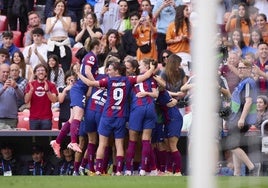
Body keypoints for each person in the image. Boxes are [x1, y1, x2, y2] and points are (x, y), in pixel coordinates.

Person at [76, 59, 156, 176]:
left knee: (102, 144)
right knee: (119, 144)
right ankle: (119, 171)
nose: (108, 71)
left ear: (117, 71)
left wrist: (78, 73)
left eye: (110, 69)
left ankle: (98, 170)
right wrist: (152, 68)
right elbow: (147, 75)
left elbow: (90, 83)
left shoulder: (109, 81)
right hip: (120, 117)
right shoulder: (128, 80)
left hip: (107, 116)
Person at [50, 38, 101, 155]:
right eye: (100, 45)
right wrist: (96, 84)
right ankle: (73, 141)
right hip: (78, 90)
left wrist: (91, 86)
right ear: (96, 46)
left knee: (72, 119)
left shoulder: (89, 57)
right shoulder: (92, 56)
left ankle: (57, 142)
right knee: (78, 115)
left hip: (80, 90)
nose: (102, 47)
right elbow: (88, 72)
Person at [225, 60, 260, 176]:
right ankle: (237, 172)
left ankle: (252, 167)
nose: (240, 69)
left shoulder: (248, 82)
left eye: (243, 68)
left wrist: (242, 119)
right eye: (239, 67)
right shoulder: (243, 81)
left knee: (231, 145)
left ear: (249, 69)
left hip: (241, 118)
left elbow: (249, 101)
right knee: (235, 146)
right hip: (236, 117)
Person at [125, 58, 158, 176]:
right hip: (150, 108)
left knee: (132, 141)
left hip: (137, 109)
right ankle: (144, 169)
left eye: (141, 65)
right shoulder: (150, 78)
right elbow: (156, 94)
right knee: (146, 141)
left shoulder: (129, 79)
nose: (139, 67)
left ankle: (128, 170)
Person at [24, 64, 58, 130]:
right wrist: (31, 91)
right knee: (33, 139)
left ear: (46, 73)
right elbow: (26, 100)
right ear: (35, 73)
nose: (41, 72)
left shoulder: (51, 85)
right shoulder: (30, 85)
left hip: (46, 118)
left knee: (46, 139)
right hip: (33, 118)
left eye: (42, 70)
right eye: (38, 70)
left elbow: (54, 100)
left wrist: (47, 91)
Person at [45, 0, 72, 73]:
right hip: (53, 45)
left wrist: (60, 18)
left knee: (65, 68)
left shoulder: (68, 18)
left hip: (64, 43)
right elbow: (47, 31)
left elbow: (66, 29)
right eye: (58, 6)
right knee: (52, 67)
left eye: (62, 6)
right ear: (55, 8)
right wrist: (55, 20)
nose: (60, 8)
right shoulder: (50, 19)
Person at [166, 5, 191, 76]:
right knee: (175, 76)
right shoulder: (171, 25)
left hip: (186, 53)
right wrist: (176, 40)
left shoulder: (189, 25)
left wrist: (186, 38)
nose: (188, 12)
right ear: (180, 12)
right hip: (174, 54)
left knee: (186, 75)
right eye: (186, 10)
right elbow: (167, 40)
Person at [0, 64, 24, 129]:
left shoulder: (13, 83)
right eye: (3, 72)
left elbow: (22, 97)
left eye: (7, 72)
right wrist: (3, 88)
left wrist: (16, 87)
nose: (5, 74)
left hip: (12, 119)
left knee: (11, 138)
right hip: (0, 118)